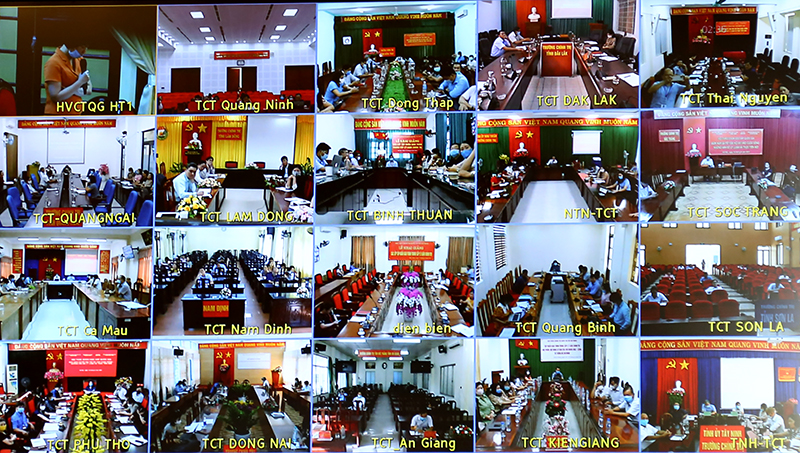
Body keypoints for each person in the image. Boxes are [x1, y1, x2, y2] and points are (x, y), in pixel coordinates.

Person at [44, 41, 91, 115]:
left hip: (76, 112)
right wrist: (80, 83)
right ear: (71, 46)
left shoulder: (79, 60)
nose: (84, 52)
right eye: (82, 47)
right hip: (58, 114)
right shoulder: (53, 63)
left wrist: (71, 90)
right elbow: (56, 97)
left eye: (86, 48)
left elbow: (88, 90)